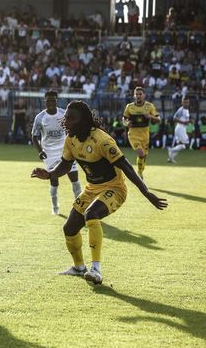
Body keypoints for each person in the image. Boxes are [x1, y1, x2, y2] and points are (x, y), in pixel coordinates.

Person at [31, 101, 167, 285]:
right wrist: (49, 174)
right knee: (69, 228)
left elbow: (126, 166)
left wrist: (147, 193)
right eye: (66, 117)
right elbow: (64, 164)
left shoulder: (102, 140)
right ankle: (79, 268)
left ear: (83, 121)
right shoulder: (71, 139)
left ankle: (96, 270)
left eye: (71, 118)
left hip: (114, 188)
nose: (66, 121)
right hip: (92, 188)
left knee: (91, 215)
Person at [31, 90, 82, 215]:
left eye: (53, 100)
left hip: (65, 150)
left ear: (56, 101)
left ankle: (80, 208)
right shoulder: (40, 117)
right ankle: (55, 208)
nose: (51, 103)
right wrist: (40, 151)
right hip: (49, 153)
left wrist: (74, 146)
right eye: (48, 100)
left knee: (74, 178)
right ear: (45, 102)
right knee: (53, 179)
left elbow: (73, 130)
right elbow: (34, 136)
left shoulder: (64, 114)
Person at [122, 87, 160, 179]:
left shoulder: (149, 106)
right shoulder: (129, 107)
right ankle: (138, 174)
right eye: (137, 94)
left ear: (144, 95)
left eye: (140, 94)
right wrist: (127, 123)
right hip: (133, 134)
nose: (138, 96)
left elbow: (158, 119)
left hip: (145, 134)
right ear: (134, 96)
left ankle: (140, 171)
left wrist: (150, 116)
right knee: (141, 153)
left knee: (144, 155)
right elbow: (124, 119)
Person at [167, 95, 193, 163]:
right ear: (182, 102)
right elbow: (174, 118)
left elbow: (186, 120)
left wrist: (188, 121)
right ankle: (171, 150)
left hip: (182, 128)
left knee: (180, 145)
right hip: (180, 128)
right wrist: (184, 122)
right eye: (185, 102)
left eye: (187, 102)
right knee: (186, 144)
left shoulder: (187, 110)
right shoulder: (181, 110)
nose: (186, 104)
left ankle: (171, 158)